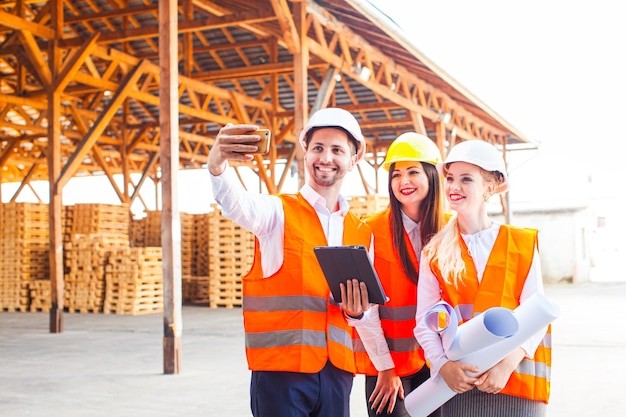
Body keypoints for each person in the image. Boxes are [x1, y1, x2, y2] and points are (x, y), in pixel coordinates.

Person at [207, 107, 372, 417]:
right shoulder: (276, 213)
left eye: (337, 150)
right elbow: (235, 203)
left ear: (353, 159)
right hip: (281, 375)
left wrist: (358, 313)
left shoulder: (361, 231)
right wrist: (217, 165)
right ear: (305, 153)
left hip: (338, 373)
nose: (326, 157)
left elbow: (365, 312)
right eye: (318, 148)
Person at [414, 140, 552, 416]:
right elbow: (424, 321)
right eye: (450, 178)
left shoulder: (521, 242)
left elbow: (536, 315)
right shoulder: (435, 251)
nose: (454, 187)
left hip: (514, 379)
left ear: (489, 187)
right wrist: (443, 366)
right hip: (460, 383)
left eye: (466, 179)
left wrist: (506, 364)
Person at [341, 132, 446, 416]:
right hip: (388, 367)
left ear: (432, 175)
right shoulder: (371, 229)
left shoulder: (451, 230)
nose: (403, 182)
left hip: (438, 364)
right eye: (396, 174)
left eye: (413, 172)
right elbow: (365, 309)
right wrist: (385, 368)